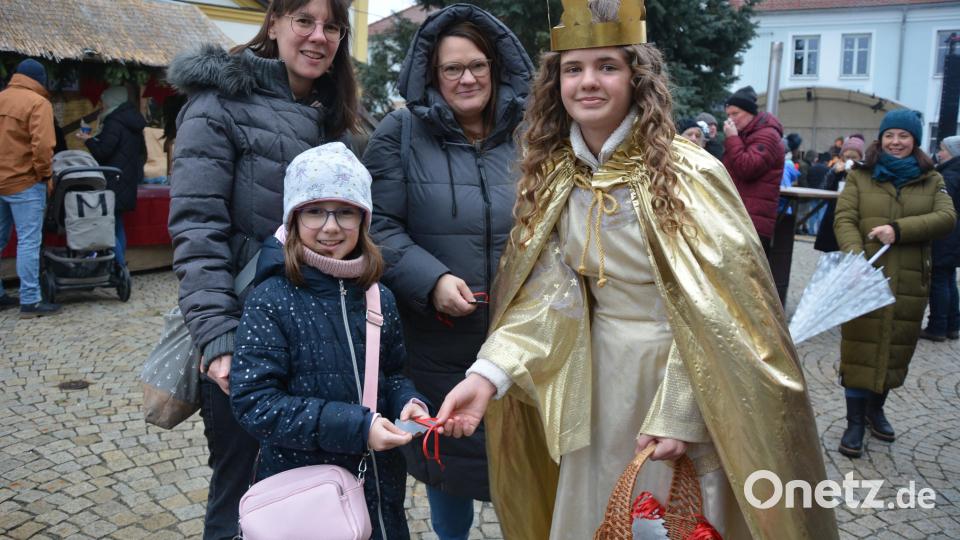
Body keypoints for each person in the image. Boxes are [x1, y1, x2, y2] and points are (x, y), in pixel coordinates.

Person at [434, 2, 838, 538]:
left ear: (636, 78)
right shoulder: (558, 179)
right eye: (573, 69)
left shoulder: (688, 175)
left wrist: (682, 414)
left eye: (607, 66)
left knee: (670, 515)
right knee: (603, 513)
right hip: (597, 385)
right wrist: (488, 377)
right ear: (556, 84)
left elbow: (725, 319)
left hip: (683, 377)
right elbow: (548, 298)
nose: (588, 82)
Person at [165, 0, 359, 537]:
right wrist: (218, 338)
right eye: (304, 21)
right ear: (273, 24)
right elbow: (197, 230)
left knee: (309, 491)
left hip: (322, 337)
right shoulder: (218, 103)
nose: (319, 37)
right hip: (247, 337)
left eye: (333, 27)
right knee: (242, 490)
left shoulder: (336, 115)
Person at [361, 5, 532, 538]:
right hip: (439, 338)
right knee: (449, 467)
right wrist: (430, 279)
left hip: (522, 335)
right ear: (432, 75)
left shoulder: (534, 133)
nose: (467, 78)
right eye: (452, 68)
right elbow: (378, 226)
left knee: (527, 468)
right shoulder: (401, 132)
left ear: (497, 67)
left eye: (477, 65)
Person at [230, 143, 429, 540]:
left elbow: (390, 372)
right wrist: (358, 427)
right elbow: (255, 403)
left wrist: (408, 401)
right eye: (315, 210)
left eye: (346, 211)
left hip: (378, 490)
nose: (331, 227)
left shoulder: (379, 296)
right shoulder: (271, 299)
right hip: (304, 495)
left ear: (363, 219)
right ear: (293, 217)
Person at [833, 110, 956, 458]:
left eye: (904, 136)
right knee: (859, 346)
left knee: (896, 348)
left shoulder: (931, 178)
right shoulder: (862, 175)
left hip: (909, 278)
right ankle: (854, 421)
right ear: (881, 138)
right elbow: (845, 218)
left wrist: (898, 230)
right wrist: (856, 257)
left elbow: (947, 218)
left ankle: (876, 409)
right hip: (865, 275)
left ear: (915, 140)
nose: (896, 142)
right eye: (890, 135)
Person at [0, 59, 60, 317]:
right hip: (25, 182)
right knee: (28, 242)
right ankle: (30, 300)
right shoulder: (38, 103)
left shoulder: (2, 97)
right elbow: (43, 146)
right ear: (40, 80)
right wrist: (44, 176)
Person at [77, 86, 146, 269]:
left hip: (112, 181)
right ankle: (118, 266)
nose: (103, 103)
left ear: (112, 100)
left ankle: (120, 266)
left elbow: (103, 152)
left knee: (106, 225)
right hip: (127, 180)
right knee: (117, 224)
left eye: (105, 99)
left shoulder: (114, 122)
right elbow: (141, 153)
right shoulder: (134, 122)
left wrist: (88, 140)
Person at [722, 85, 785, 255]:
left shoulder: (767, 135)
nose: (731, 119)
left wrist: (733, 138)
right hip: (740, 217)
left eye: (736, 114)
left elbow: (747, 168)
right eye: (728, 115)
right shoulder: (747, 134)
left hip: (752, 222)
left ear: (750, 113)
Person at [920, 135, 960, 341]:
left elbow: (943, 206)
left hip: (946, 237)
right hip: (953, 237)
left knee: (938, 280)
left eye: (943, 149)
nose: (939, 152)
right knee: (948, 280)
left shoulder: (951, 175)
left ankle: (937, 326)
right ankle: (953, 325)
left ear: (952, 151)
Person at [815, 135, 864, 252]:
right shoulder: (837, 171)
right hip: (832, 218)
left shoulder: (864, 174)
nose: (850, 160)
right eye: (847, 157)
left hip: (853, 219)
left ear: (861, 157)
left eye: (854, 157)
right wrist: (834, 173)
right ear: (842, 157)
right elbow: (822, 189)